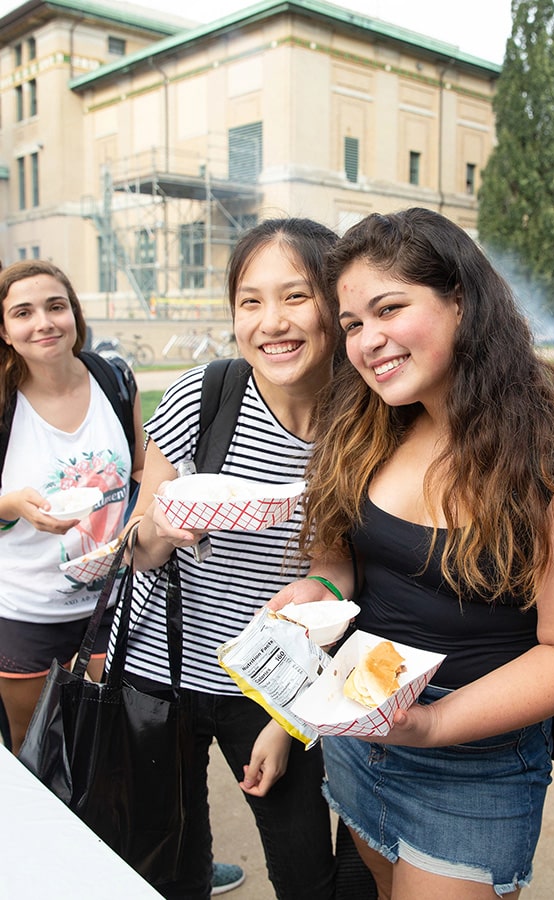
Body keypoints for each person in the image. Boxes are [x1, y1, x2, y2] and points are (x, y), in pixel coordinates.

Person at [270, 208, 554, 900]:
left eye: (390, 309)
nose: (368, 342)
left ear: (460, 300)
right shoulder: (365, 425)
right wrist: (319, 597)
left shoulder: (553, 461)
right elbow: (338, 565)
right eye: (354, 323)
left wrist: (433, 723)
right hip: (360, 729)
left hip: (475, 762)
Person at [111, 218, 342, 900]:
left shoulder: (362, 423)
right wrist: (164, 525)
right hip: (164, 669)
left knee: (305, 868)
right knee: (170, 862)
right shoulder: (203, 396)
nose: (273, 322)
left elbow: (340, 580)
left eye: (296, 296)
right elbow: (139, 553)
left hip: (276, 682)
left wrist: (286, 716)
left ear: (335, 301)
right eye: (250, 301)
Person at [0, 260, 146, 755]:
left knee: (105, 741)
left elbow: (143, 473)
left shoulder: (114, 379)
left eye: (55, 306)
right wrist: (14, 504)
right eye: (23, 312)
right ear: (4, 329)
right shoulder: (4, 400)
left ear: (74, 315)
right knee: (32, 746)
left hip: (109, 602)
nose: (43, 322)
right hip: (24, 613)